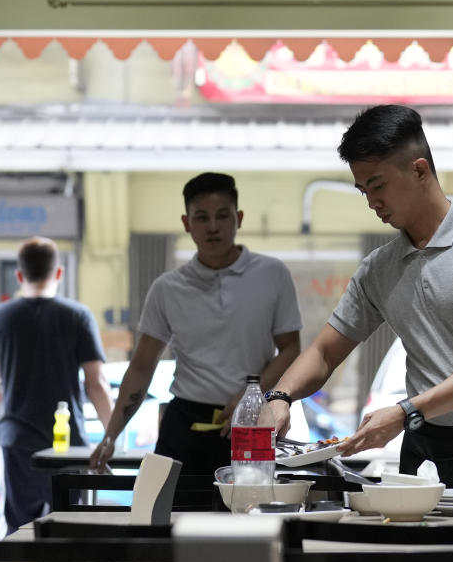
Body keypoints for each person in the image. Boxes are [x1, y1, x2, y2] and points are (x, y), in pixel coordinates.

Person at [265, 105, 453, 531]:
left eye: (378, 185)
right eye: (362, 191)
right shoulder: (380, 268)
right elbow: (322, 352)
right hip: (427, 447)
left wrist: (407, 410)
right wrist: (278, 399)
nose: (372, 202)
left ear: (420, 170)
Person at [90, 172, 302, 478]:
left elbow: (291, 348)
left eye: (222, 216)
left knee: (250, 516)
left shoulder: (272, 274)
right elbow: (141, 366)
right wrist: (110, 436)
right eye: (201, 217)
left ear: (238, 218)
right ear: (186, 223)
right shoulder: (168, 288)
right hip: (184, 426)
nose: (213, 227)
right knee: (172, 520)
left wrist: (252, 395)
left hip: (251, 420)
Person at [0, 236, 113, 535]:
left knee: (18, 532)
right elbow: (97, 384)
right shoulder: (78, 316)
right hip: (68, 447)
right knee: (70, 532)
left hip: (17, 443)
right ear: (59, 273)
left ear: (19, 275)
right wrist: (112, 436)